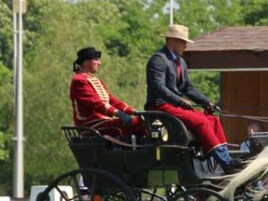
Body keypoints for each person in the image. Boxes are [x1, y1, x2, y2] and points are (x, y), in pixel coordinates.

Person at [145, 24, 241, 174]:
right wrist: (179, 100)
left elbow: (188, 87)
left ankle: (224, 161)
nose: (185, 45)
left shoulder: (180, 62)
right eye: (183, 42)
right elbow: (158, 87)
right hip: (159, 106)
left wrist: (206, 102)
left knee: (213, 119)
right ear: (171, 40)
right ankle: (225, 163)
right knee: (200, 121)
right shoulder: (158, 60)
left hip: (175, 106)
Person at [70, 47, 142, 137]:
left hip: (101, 120)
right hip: (89, 124)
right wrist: (118, 113)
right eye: (96, 60)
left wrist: (132, 111)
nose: (99, 63)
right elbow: (95, 102)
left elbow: (111, 100)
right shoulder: (79, 80)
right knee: (131, 122)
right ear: (86, 62)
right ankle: (130, 149)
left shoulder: (96, 80)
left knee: (141, 121)